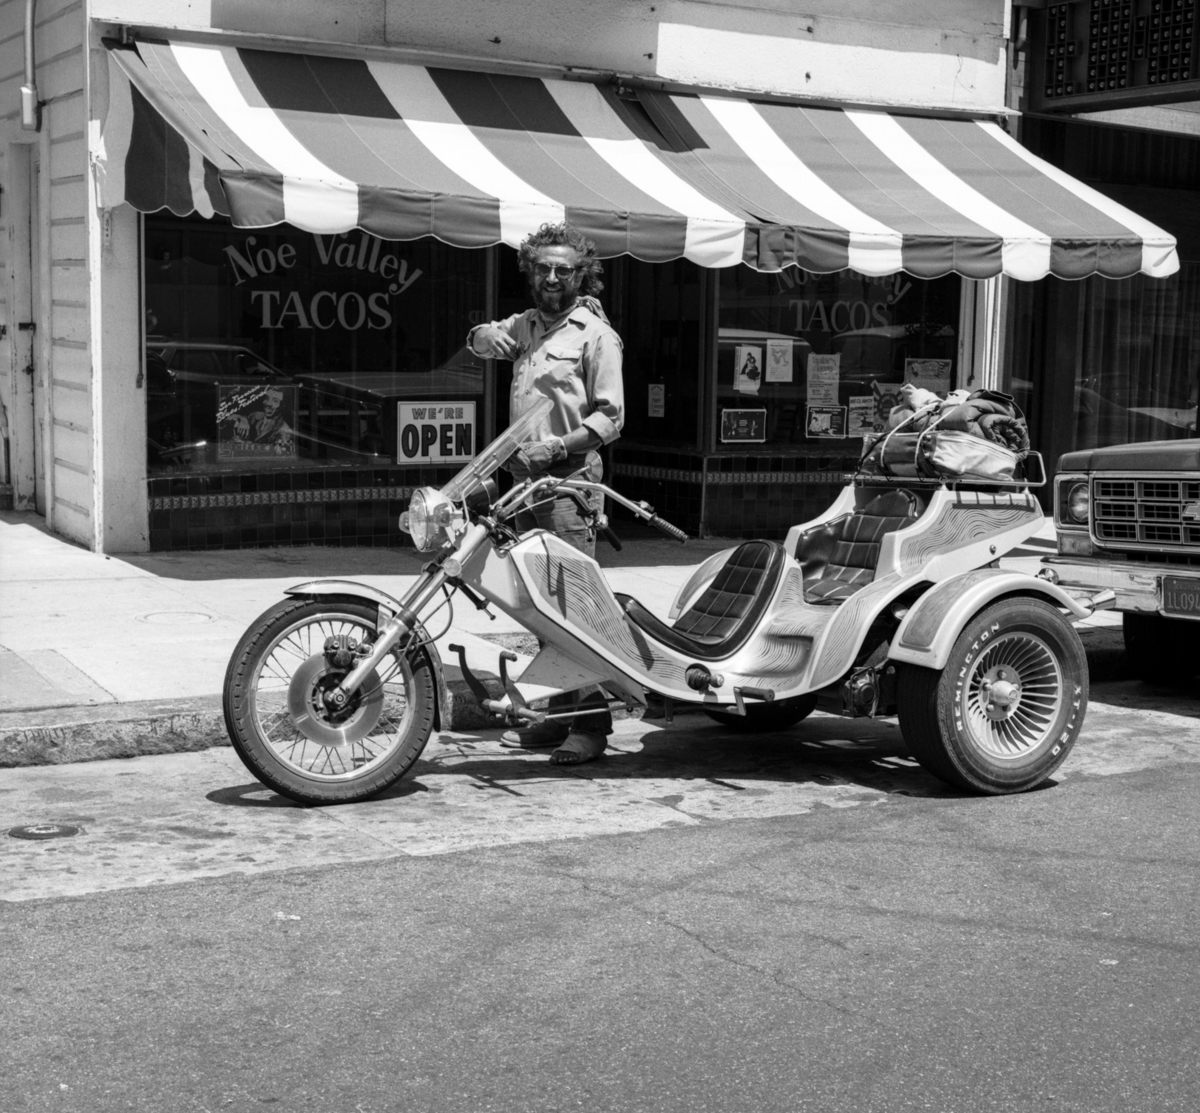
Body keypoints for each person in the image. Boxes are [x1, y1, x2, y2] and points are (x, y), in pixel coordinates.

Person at [467, 222, 624, 766]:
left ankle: (591, 728)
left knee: (573, 609)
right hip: (522, 485)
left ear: (582, 275)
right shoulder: (527, 325)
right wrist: (485, 337)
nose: (553, 277)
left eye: (564, 269)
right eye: (543, 268)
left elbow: (611, 417)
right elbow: (484, 337)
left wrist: (556, 448)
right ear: (530, 272)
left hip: (568, 485)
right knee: (537, 607)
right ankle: (553, 717)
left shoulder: (594, 334)